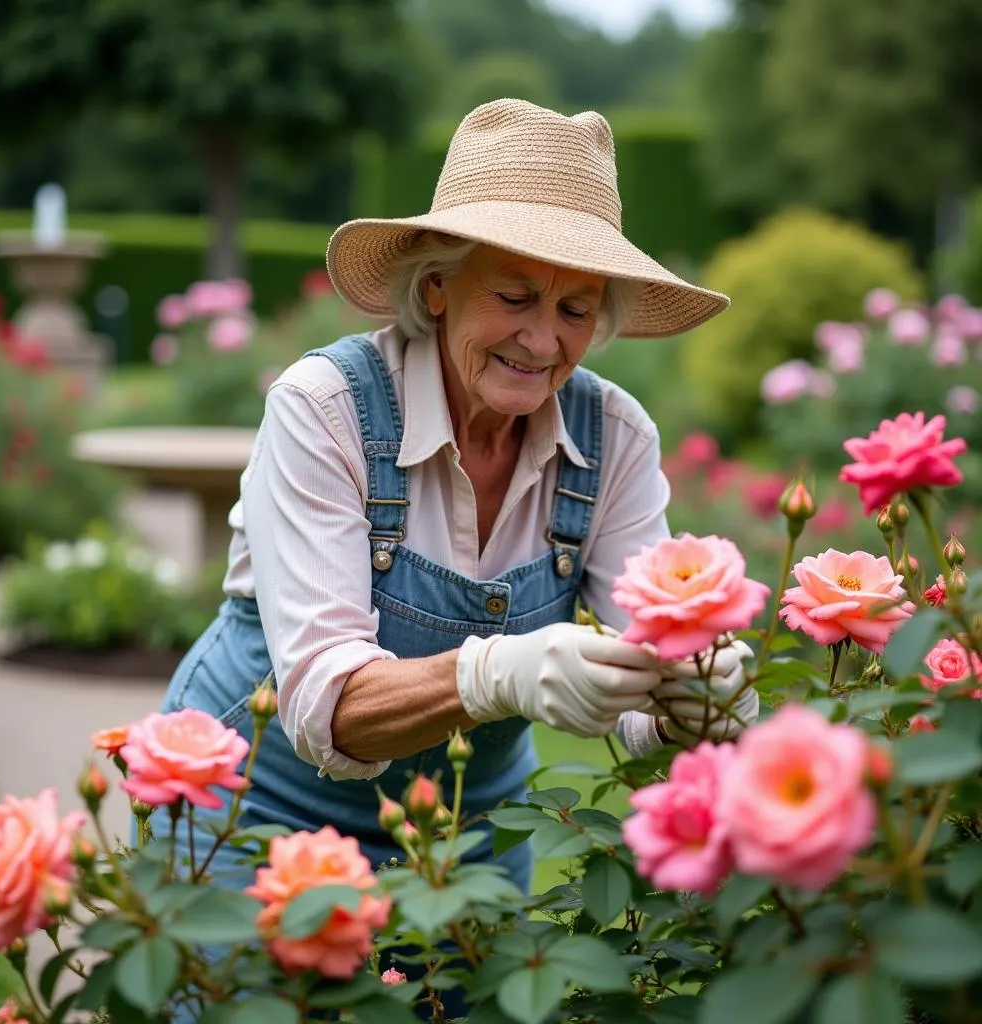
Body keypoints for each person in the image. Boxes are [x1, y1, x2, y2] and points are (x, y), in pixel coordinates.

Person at [156, 98, 757, 904]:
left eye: (574, 309)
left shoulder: (616, 436)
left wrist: (694, 695)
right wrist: (499, 673)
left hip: (468, 831)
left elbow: (639, 685)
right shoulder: (325, 408)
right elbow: (323, 703)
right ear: (437, 288)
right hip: (249, 811)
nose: (543, 342)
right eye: (514, 298)